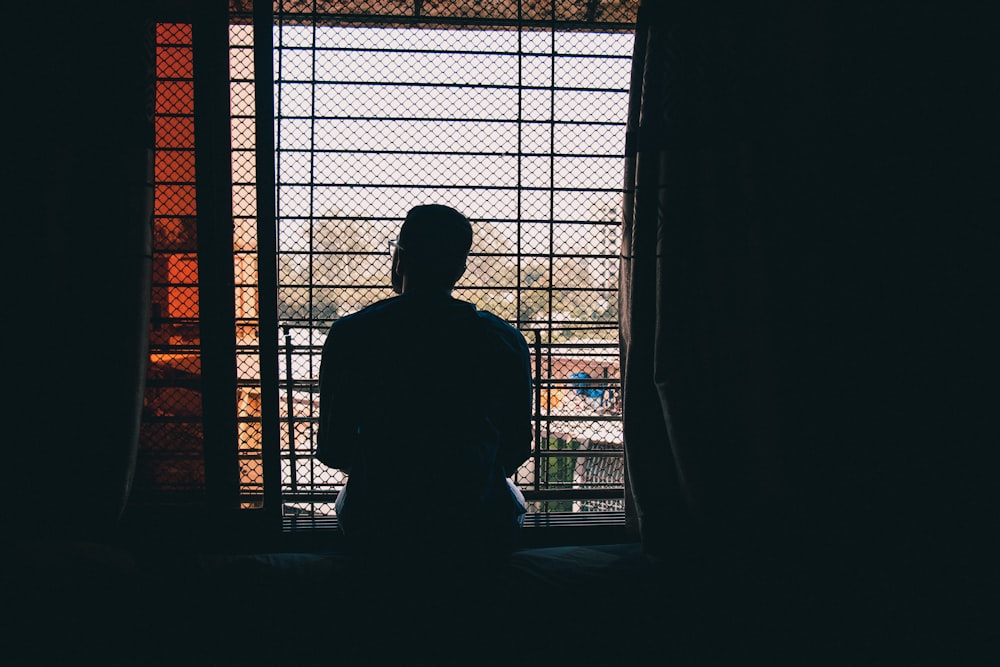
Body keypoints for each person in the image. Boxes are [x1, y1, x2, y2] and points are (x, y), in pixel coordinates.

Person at [316, 204, 533, 564]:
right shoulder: (503, 339)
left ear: (399, 259)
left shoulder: (353, 335)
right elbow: (515, 449)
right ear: (460, 269)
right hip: (476, 524)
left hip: (380, 522)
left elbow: (333, 449)